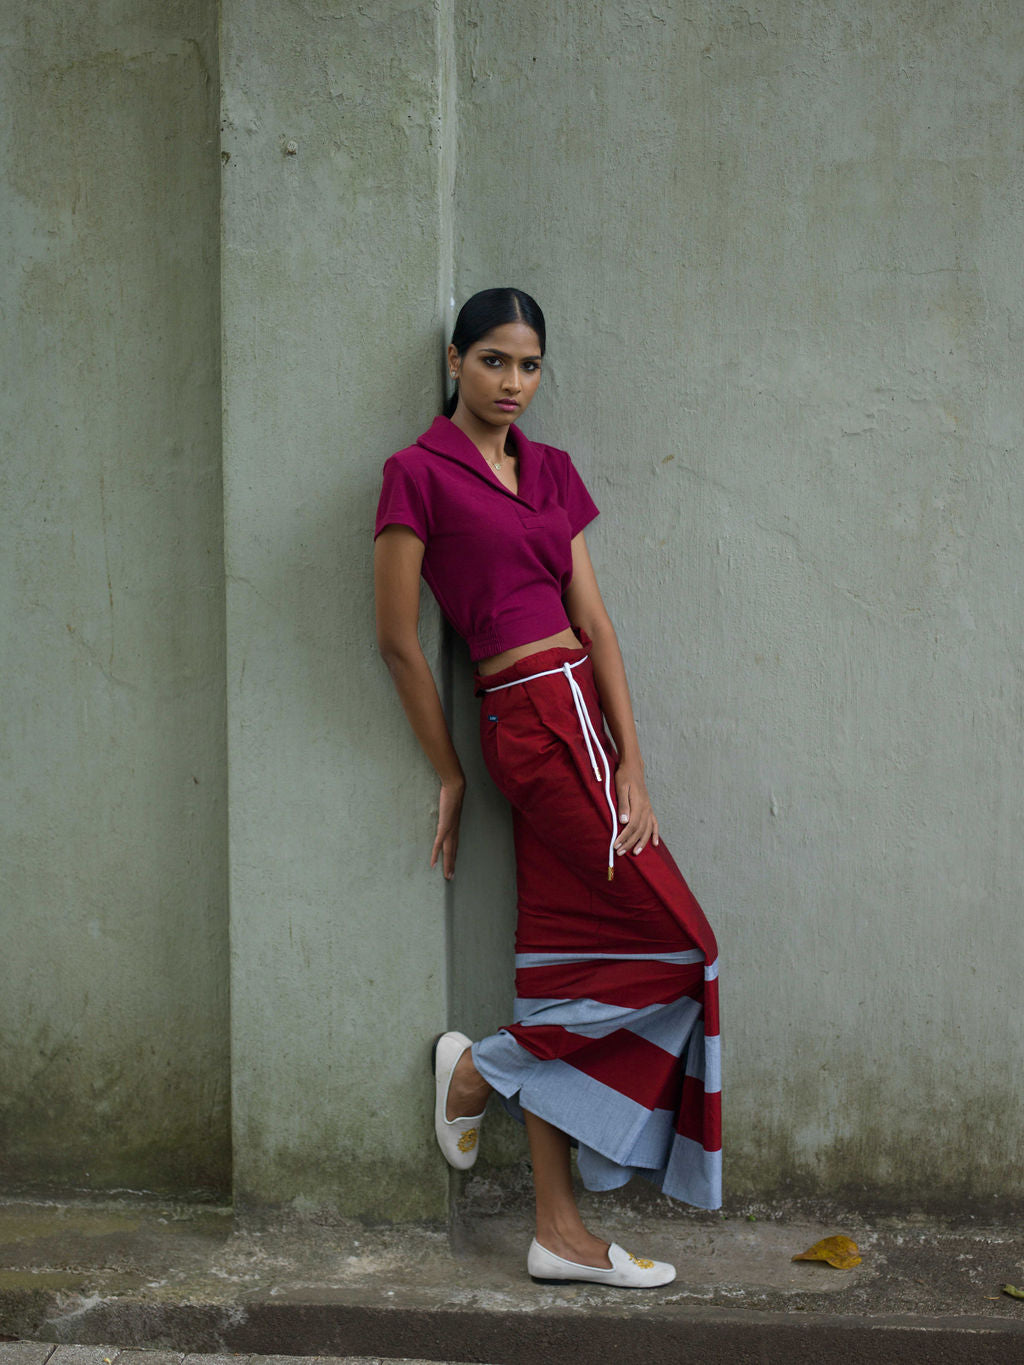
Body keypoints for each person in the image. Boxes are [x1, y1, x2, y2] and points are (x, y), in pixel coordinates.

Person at [374, 288, 721, 1288]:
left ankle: (557, 1234)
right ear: (454, 361)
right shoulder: (416, 474)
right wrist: (447, 771)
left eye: (528, 366)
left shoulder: (551, 472)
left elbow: (598, 626)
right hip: (524, 719)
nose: (512, 383)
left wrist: (633, 760)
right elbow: (399, 641)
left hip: (581, 713)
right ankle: (485, 1067)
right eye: (492, 361)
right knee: (681, 947)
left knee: (569, 964)